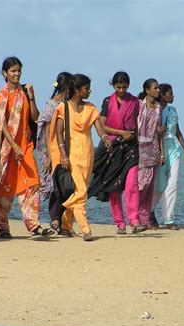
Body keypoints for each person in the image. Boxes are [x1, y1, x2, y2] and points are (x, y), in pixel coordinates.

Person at [0, 57, 53, 241]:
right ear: (5, 73)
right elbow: (2, 124)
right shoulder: (1, 95)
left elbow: (35, 117)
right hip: (7, 149)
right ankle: (3, 226)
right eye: (13, 71)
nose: (16, 74)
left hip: (26, 145)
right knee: (4, 188)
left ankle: (33, 225)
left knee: (32, 183)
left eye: (19, 71)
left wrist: (31, 96)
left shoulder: (24, 92)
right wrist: (13, 145)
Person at [49, 74, 113, 241]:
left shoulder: (91, 108)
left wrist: (105, 138)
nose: (89, 91)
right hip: (71, 156)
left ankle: (65, 225)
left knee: (78, 190)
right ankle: (85, 229)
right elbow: (58, 132)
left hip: (87, 155)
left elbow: (99, 128)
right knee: (82, 193)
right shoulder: (63, 108)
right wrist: (63, 155)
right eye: (86, 88)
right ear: (77, 90)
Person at [88, 71, 146, 235]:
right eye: (118, 87)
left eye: (124, 87)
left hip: (131, 147)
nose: (121, 90)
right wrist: (121, 133)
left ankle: (134, 220)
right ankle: (120, 223)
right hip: (112, 146)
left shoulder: (135, 102)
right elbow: (102, 125)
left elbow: (138, 124)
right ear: (113, 86)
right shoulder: (107, 101)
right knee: (114, 185)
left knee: (132, 182)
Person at [150, 83, 184, 230]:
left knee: (172, 185)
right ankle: (149, 211)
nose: (173, 96)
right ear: (162, 95)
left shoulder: (173, 110)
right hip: (158, 151)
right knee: (159, 186)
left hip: (173, 150)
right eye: (170, 94)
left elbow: (178, 132)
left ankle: (169, 219)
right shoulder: (153, 110)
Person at [37, 72, 73, 234]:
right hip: (52, 150)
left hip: (66, 149)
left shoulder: (67, 105)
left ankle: (62, 221)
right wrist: (50, 155)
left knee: (66, 185)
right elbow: (46, 132)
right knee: (55, 185)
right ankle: (55, 219)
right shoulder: (52, 105)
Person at [137, 79, 164, 229]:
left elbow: (159, 130)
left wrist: (161, 154)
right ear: (147, 90)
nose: (158, 90)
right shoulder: (140, 105)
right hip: (140, 148)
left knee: (150, 187)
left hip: (153, 149)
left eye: (158, 87)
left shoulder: (159, 107)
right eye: (155, 88)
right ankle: (136, 217)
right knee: (142, 185)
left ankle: (145, 218)